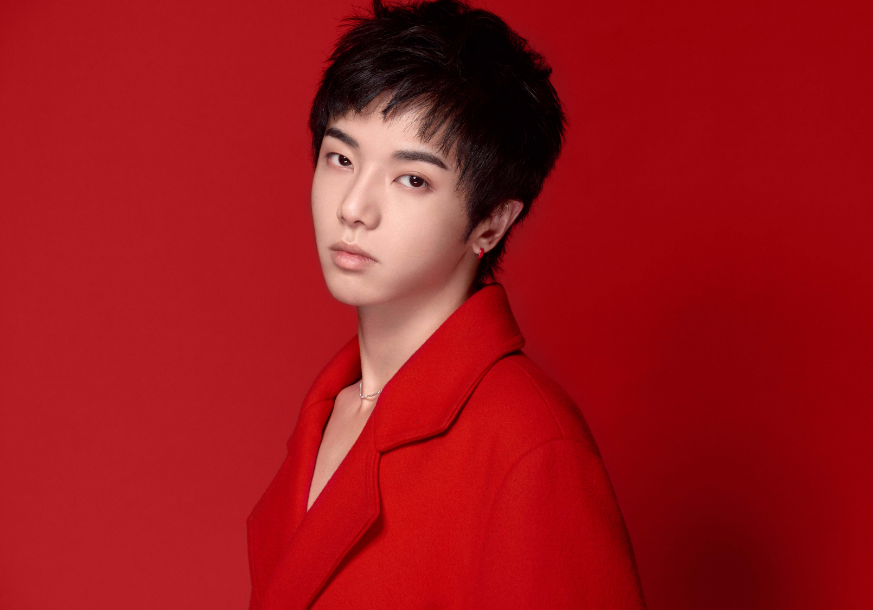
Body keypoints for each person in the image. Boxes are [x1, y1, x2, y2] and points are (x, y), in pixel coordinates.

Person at [246, 0, 646, 608]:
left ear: (492, 222)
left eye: (412, 179)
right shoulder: (327, 410)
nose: (353, 207)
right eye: (341, 158)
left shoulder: (530, 446)